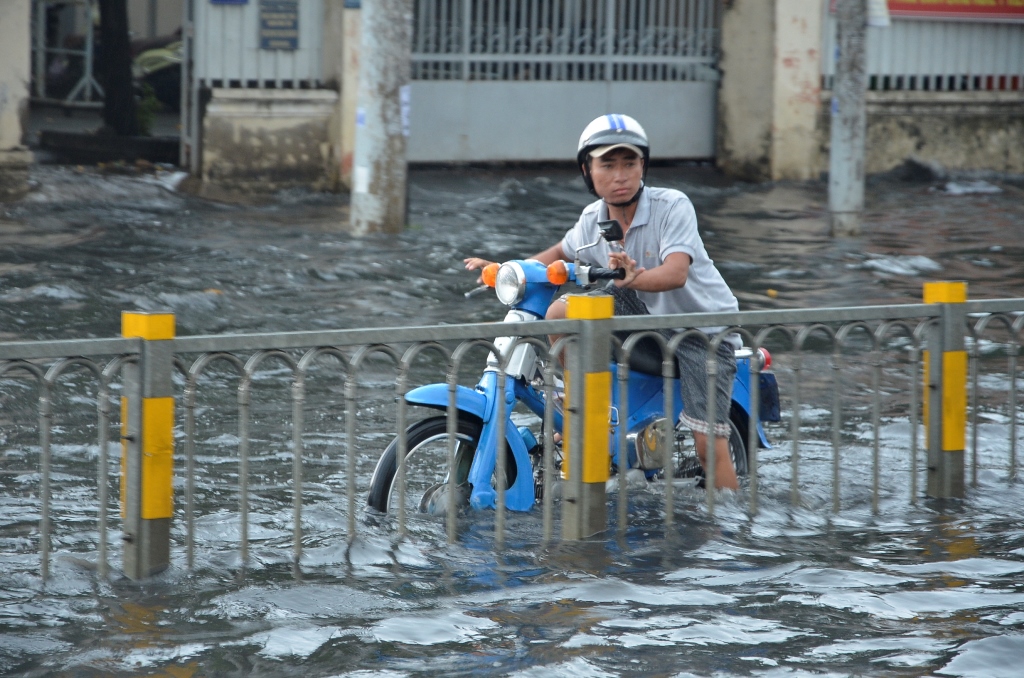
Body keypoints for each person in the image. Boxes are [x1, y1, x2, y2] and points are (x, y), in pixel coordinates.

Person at [464, 114, 740, 490]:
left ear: (643, 165)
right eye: (607, 164)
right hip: (642, 315)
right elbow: (558, 253)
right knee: (557, 312)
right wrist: (508, 269)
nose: (620, 175)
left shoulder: (672, 206)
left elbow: (677, 272)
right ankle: (577, 415)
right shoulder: (592, 219)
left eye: (629, 163)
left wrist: (637, 276)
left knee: (710, 448)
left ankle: (727, 530)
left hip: (700, 333)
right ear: (587, 171)